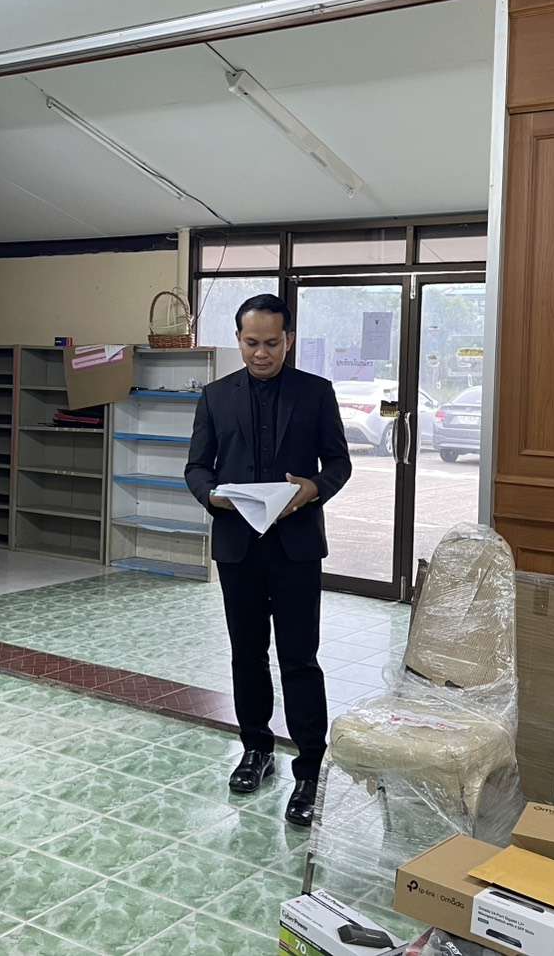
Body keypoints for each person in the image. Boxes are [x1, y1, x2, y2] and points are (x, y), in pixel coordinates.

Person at [185, 293, 351, 826]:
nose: (261, 353)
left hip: (296, 547)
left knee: (299, 658)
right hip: (238, 548)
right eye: (252, 343)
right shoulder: (215, 396)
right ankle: (255, 749)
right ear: (238, 340)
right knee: (246, 654)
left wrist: (313, 489)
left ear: (289, 341)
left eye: (272, 343)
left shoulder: (316, 393)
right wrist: (212, 495)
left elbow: (339, 463)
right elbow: (196, 467)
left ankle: (310, 770)